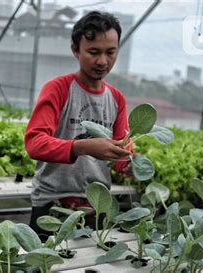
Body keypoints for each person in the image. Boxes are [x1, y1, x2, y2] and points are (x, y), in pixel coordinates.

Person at [24, 11, 132, 240]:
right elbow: (34, 143)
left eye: (110, 52)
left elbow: (122, 154)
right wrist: (83, 147)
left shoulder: (117, 99)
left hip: (96, 206)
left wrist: (131, 164)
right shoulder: (58, 89)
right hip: (53, 205)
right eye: (93, 52)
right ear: (75, 50)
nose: (102, 61)